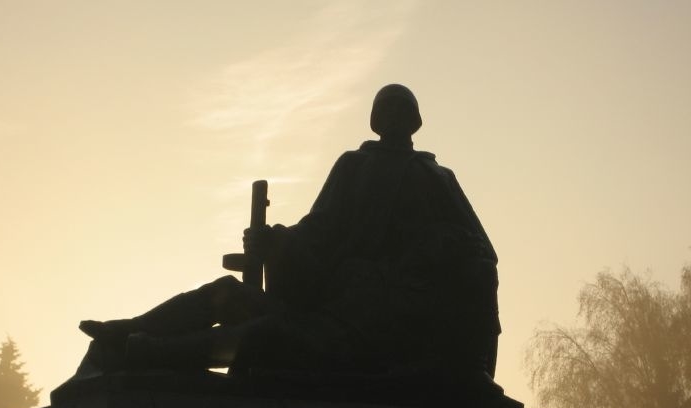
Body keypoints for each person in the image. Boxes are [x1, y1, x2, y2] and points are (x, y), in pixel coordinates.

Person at [77, 84, 499, 379]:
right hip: (329, 310)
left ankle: (146, 352)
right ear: (375, 120)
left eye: (400, 110)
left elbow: (481, 257)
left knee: (266, 335)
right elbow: (319, 232)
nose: (392, 118)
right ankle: (129, 329)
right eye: (385, 110)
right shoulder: (354, 166)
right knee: (225, 293)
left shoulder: (437, 179)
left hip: (364, 338)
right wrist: (276, 241)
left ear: (414, 120)